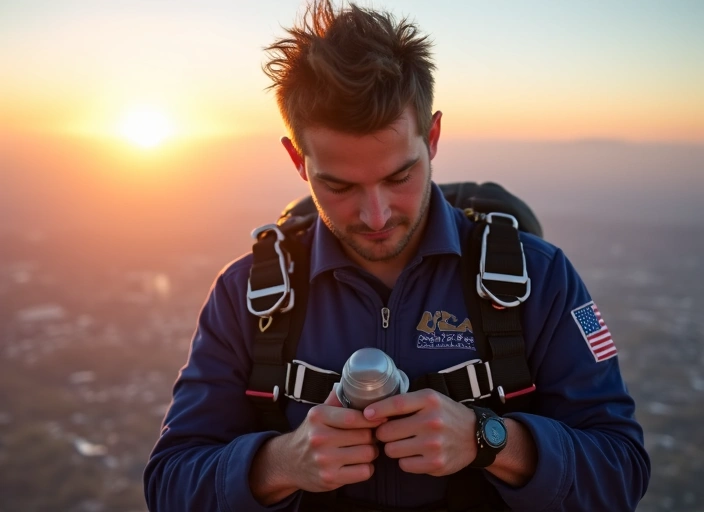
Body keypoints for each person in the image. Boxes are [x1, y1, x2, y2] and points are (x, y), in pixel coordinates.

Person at [143, 1, 650, 511]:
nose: (377, 215)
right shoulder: (247, 296)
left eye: (399, 176)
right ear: (298, 160)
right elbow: (169, 484)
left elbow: (621, 471)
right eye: (338, 184)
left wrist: (489, 439)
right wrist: (281, 463)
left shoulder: (539, 279)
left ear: (431, 138)